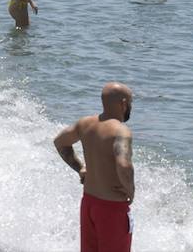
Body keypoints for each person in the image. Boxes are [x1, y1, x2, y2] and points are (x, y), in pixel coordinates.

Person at [53, 83, 135, 252]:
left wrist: (80, 168)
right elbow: (124, 164)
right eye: (131, 102)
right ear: (123, 103)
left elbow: (60, 142)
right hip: (112, 209)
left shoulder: (85, 123)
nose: (131, 107)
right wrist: (130, 190)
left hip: (89, 203)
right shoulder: (121, 131)